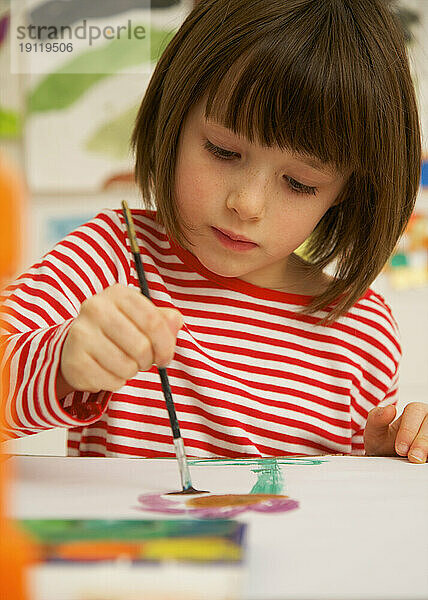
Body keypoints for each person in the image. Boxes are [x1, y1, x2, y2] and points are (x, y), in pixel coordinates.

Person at [1, 0, 427, 462]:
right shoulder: (110, 257)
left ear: (347, 188)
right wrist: (62, 363)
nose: (246, 204)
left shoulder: (363, 332)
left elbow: (348, 513)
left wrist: (388, 457)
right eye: (223, 151)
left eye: (299, 183)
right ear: (175, 114)